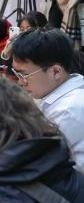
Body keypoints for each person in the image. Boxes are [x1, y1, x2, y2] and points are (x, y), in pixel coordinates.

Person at [10, 29, 84, 170]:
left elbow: (38, 162)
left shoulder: (68, 110)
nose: (20, 82)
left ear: (56, 71)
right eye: (16, 74)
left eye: (24, 75)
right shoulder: (51, 91)